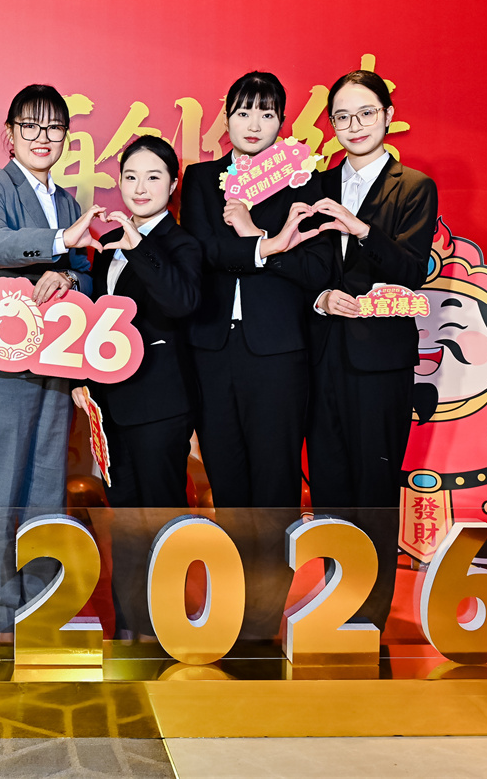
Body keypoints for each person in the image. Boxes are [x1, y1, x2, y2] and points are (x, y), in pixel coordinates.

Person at [0, 84, 102, 641]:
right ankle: (2, 615)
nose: (42, 137)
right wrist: (57, 242)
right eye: (30, 126)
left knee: (48, 490)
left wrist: (67, 274)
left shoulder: (68, 199)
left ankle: (43, 608)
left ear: (66, 136)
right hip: (0, 367)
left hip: (56, 367)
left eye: (54, 128)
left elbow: (87, 272)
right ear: (10, 133)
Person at [305, 69, 439, 631]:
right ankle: (334, 604)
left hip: (380, 361)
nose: (354, 125)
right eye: (342, 116)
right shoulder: (315, 185)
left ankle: (370, 618)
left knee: (375, 486)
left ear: (388, 116)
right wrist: (319, 298)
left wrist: (360, 228)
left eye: (365, 113)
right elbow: (299, 267)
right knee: (329, 483)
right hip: (321, 356)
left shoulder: (414, 187)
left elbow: (412, 269)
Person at [180, 71, 331, 510]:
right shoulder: (202, 178)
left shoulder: (304, 181)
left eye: (266, 115)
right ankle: (234, 556)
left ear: (281, 121)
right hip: (211, 348)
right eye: (243, 113)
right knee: (223, 469)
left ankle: (271, 559)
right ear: (226, 119)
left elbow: (316, 268)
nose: (253, 125)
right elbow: (202, 251)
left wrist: (251, 234)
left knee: (275, 474)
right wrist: (269, 245)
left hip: (278, 350)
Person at [73, 135, 201, 640]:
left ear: (172, 185)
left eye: (153, 177)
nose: (140, 187)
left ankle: (165, 627)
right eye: (130, 177)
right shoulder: (107, 245)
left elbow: (181, 302)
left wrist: (140, 247)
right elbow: (98, 322)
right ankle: (129, 626)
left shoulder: (182, 242)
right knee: (124, 519)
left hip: (161, 404)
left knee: (161, 514)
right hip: (111, 407)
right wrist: (82, 379)